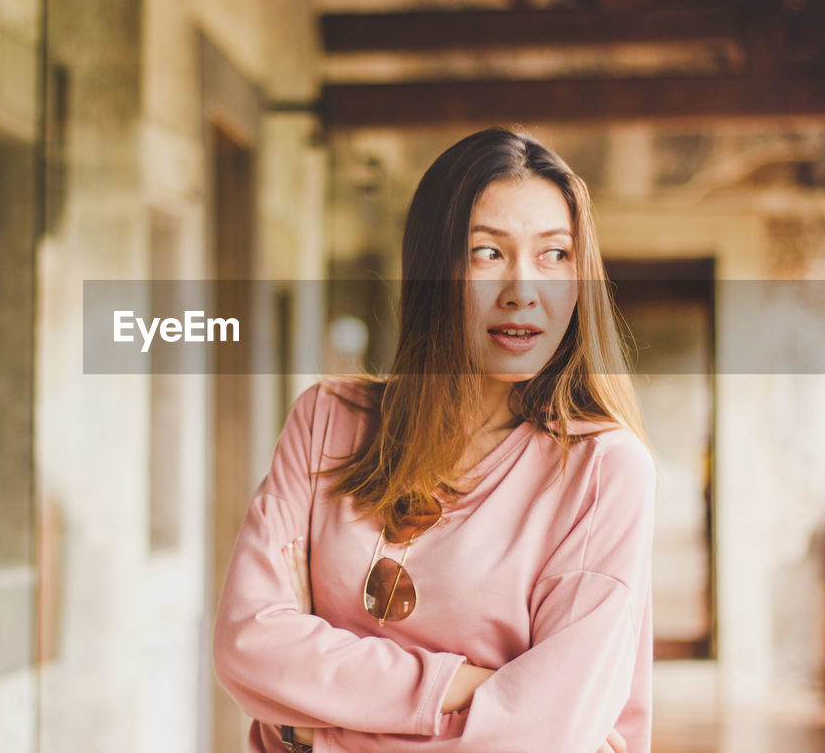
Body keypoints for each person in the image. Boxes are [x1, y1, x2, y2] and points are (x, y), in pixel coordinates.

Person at [212, 127, 656, 753]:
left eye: (555, 255)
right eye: (488, 253)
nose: (523, 290)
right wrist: (462, 685)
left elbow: (540, 736)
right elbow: (247, 644)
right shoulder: (325, 423)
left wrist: (315, 731)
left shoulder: (603, 470)